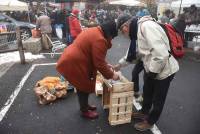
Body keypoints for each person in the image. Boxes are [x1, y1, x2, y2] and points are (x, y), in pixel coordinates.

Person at [116, 14, 179, 131]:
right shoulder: (137, 31)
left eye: (121, 30)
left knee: (158, 98)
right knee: (147, 92)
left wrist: (152, 73)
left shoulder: (146, 27)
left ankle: (150, 121)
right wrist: (119, 65)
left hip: (164, 70)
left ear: (125, 25)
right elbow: (135, 53)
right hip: (152, 67)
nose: (123, 33)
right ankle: (144, 112)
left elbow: (161, 54)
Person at [56, 20, 120, 119]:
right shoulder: (100, 40)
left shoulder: (94, 30)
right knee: (83, 86)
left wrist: (107, 64)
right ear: (109, 33)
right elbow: (99, 63)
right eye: (112, 36)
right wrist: (112, 75)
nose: (112, 39)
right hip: (75, 62)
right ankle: (84, 111)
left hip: (74, 58)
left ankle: (85, 106)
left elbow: (95, 55)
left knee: (82, 86)